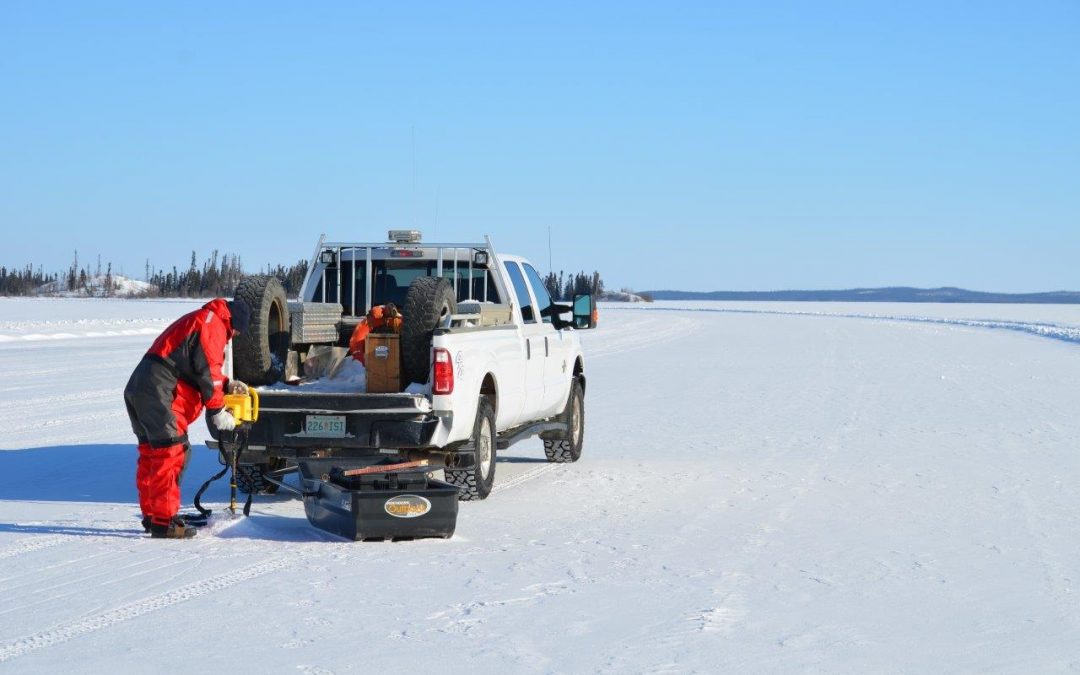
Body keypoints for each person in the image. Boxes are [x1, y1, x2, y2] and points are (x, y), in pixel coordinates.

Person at [124, 297, 251, 539]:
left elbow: (196, 368)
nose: (233, 335)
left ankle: (154, 516)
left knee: (152, 454)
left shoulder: (203, 319)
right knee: (171, 453)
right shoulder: (214, 324)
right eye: (235, 331)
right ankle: (164, 521)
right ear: (234, 323)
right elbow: (209, 370)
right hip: (161, 391)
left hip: (141, 386)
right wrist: (217, 410)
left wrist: (227, 385)